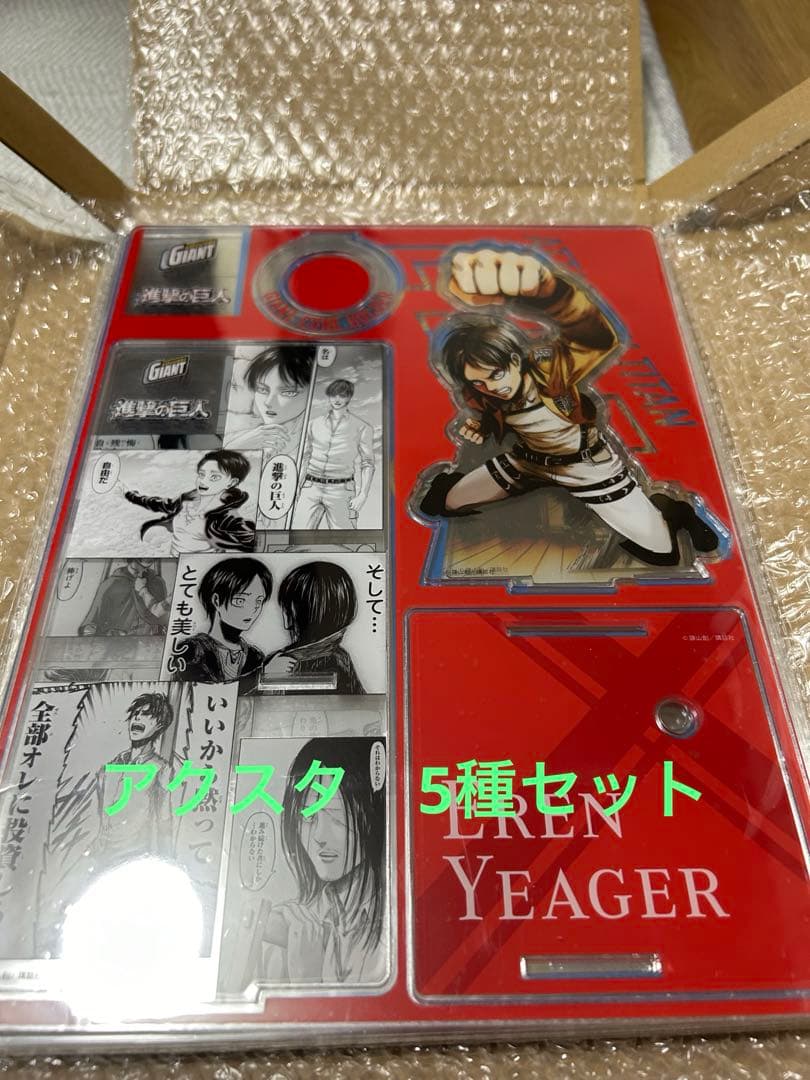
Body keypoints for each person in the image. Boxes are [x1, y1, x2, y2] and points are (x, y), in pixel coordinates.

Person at [417, 247, 721, 567]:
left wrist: (551, 293)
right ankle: (444, 486)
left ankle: (673, 511)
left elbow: (594, 337)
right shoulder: (481, 394)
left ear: (515, 360)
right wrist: (477, 427)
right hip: (527, 462)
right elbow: (489, 418)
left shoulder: (549, 368)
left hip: (584, 465)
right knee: (444, 503)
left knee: (662, 552)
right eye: (479, 382)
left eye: (496, 375)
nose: (492, 387)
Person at [256, 737, 386, 984]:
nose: (319, 836)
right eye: (308, 817)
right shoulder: (287, 924)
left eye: (337, 817)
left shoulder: (398, 921)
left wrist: (309, 979)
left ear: (370, 817)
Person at [170, 557, 273, 692]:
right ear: (216, 601)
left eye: (258, 601)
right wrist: (261, 673)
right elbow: (199, 694)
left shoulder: (255, 656)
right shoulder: (190, 650)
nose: (252, 609)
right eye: (240, 600)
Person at [95, 692, 177, 861]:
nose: (137, 717)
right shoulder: (113, 764)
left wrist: (167, 859)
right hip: (101, 854)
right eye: (135, 713)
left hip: (133, 855)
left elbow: (164, 820)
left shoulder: (160, 769)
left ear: (159, 725)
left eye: (146, 714)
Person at [124, 449, 255, 555]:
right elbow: (160, 504)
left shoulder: (226, 516)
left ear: (231, 482)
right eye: (202, 474)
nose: (203, 481)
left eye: (214, 477)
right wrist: (131, 495)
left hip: (198, 570)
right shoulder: (188, 498)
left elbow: (250, 539)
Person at [264, 562, 364, 694]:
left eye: (287, 609)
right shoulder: (341, 657)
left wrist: (266, 676)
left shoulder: (282, 662)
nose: (286, 624)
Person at [291, 378, 375, 531]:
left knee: (345, 539)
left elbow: (368, 462)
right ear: (329, 396)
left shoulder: (362, 427)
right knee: (298, 535)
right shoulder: (313, 424)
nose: (337, 399)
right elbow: (305, 458)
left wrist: (363, 494)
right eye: (333, 395)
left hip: (341, 489)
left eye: (342, 395)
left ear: (349, 397)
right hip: (310, 486)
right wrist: (297, 487)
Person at [224, 344, 316, 453]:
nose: (268, 402)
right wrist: (238, 445)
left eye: (288, 392)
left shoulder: (315, 435)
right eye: (262, 389)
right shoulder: (245, 433)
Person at [78, 559, 169, 636]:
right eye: (135, 570)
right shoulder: (111, 584)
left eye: (145, 568)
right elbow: (91, 624)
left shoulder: (157, 584)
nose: (140, 574)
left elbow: (162, 622)